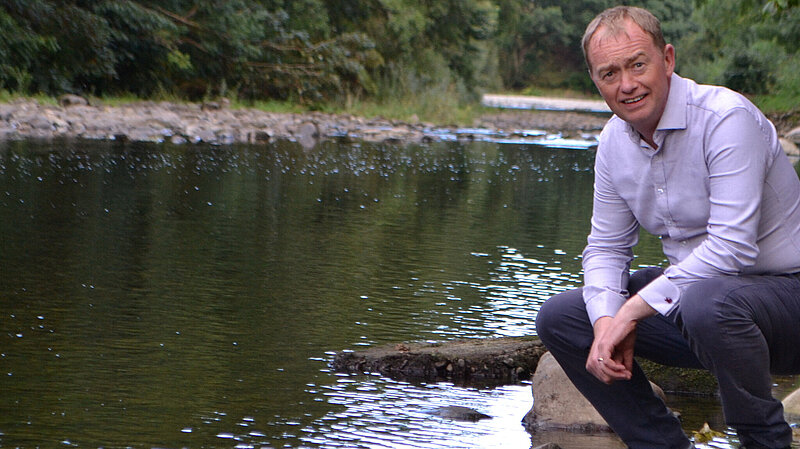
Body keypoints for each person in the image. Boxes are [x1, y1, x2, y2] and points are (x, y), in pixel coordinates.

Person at [535, 6, 800, 449]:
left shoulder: (725, 119)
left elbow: (732, 249)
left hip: (787, 302)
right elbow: (604, 248)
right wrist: (605, 323)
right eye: (609, 73)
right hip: (704, 311)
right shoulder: (613, 142)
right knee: (565, 317)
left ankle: (764, 442)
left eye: (638, 64)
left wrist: (630, 312)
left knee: (706, 302)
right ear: (595, 81)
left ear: (668, 59)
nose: (627, 85)